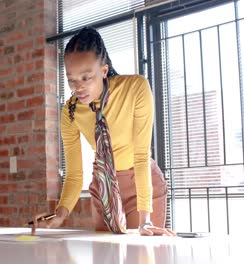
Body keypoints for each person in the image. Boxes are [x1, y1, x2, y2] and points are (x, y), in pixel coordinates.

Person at [32, 27, 175, 236]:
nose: (78, 87)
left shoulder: (135, 89)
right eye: (71, 79)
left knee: (141, 254)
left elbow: (141, 155)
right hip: (103, 188)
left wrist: (145, 220)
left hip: (140, 184)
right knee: (105, 255)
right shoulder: (70, 112)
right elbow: (73, 174)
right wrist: (59, 215)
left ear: (104, 71)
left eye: (86, 77)